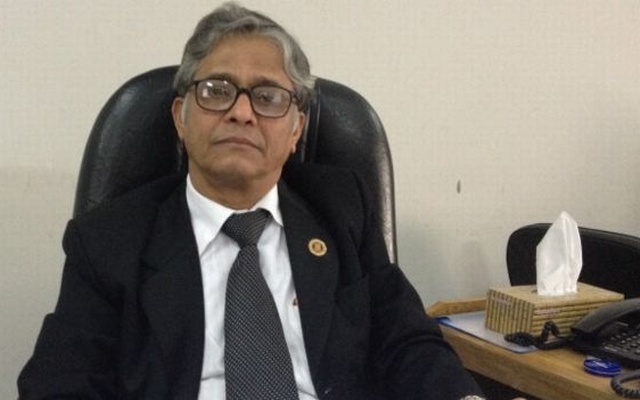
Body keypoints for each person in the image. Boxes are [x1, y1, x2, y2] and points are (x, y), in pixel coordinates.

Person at [18, 3, 498, 399]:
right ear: (181, 117)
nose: (242, 112)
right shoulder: (109, 240)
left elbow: (407, 343)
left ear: (296, 130)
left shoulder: (343, 209)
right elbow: (60, 383)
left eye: (268, 97)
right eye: (217, 91)